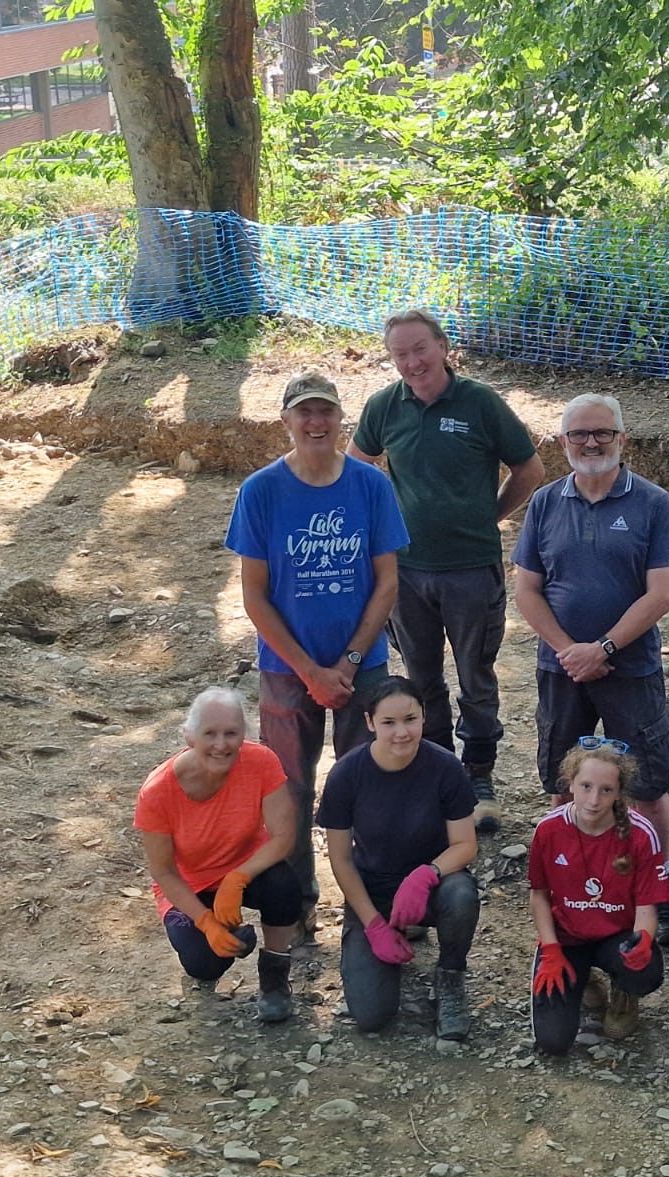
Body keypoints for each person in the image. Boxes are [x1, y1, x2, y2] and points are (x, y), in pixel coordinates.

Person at [225, 370, 410, 935]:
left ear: (339, 420)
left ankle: (372, 902)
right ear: (285, 421)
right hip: (286, 671)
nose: (315, 422)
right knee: (288, 789)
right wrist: (309, 670)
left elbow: (387, 583)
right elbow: (254, 594)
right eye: (303, 412)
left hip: (364, 669)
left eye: (325, 412)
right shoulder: (260, 491)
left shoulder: (370, 485)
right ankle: (297, 903)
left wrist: (350, 662)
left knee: (370, 782)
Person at [351, 310, 545, 833]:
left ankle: (478, 774)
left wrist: (491, 515)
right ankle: (435, 772)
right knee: (421, 678)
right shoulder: (383, 407)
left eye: (420, 349)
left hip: (470, 569)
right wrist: (381, 527)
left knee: (475, 677)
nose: (412, 362)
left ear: (443, 347)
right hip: (406, 574)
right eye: (400, 354)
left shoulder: (480, 403)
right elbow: (356, 467)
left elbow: (530, 469)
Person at [512, 393, 669, 942]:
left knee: (647, 785)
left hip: (631, 668)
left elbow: (661, 595)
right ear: (562, 442)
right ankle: (570, 884)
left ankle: (659, 882)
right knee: (564, 786)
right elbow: (525, 590)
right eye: (579, 434)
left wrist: (604, 649)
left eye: (602, 433)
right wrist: (570, 649)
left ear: (622, 439)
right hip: (559, 669)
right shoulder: (543, 503)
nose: (591, 443)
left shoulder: (652, 503)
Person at [315, 677, 481, 1038]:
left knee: (462, 894)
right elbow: (341, 859)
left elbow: (465, 845)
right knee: (371, 1016)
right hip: (373, 889)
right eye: (389, 723)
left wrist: (426, 874)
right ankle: (381, 933)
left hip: (433, 884)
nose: (402, 733)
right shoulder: (347, 774)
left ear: (424, 718)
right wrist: (372, 923)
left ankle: (451, 977)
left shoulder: (445, 767)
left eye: (411, 719)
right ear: (370, 722)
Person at [134, 688, 300, 1021]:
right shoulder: (157, 793)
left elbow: (283, 837)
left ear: (244, 734)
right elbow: (164, 872)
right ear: (189, 736)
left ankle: (275, 975)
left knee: (285, 886)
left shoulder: (261, 761)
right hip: (190, 884)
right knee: (204, 966)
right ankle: (226, 935)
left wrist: (238, 878)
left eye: (231, 733)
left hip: (246, 868)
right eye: (210, 734)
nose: (221, 744)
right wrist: (205, 922)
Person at [527, 740, 669, 1053]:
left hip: (615, 936)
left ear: (619, 793)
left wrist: (644, 940)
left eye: (606, 789)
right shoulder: (549, 830)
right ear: (570, 786)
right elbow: (539, 896)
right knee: (552, 1041)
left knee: (644, 971)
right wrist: (550, 949)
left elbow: (647, 905)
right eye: (586, 786)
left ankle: (624, 994)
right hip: (566, 939)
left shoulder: (641, 833)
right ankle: (583, 980)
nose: (594, 799)